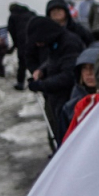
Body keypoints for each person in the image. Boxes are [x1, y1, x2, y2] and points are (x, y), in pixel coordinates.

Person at [26, 14, 85, 144]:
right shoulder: (55, 43)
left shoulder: (69, 43)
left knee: (67, 139)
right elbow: (53, 61)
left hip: (68, 99)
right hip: (56, 97)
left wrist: (42, 85)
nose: (38, 44)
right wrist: (41, 70)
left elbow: (69, 75)